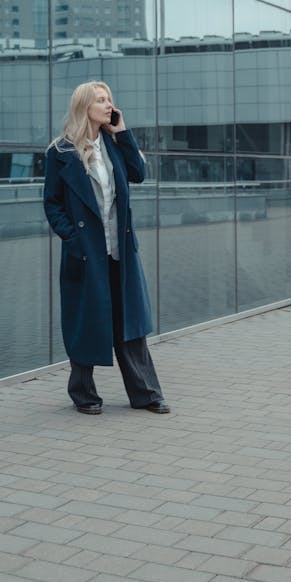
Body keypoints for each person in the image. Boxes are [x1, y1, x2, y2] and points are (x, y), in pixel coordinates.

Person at [44, 81, 170, 415]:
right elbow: (52, 204)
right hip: (85, 252)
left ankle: (146, 393)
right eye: (101, 100)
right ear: (84, 106)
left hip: (120, 250)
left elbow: (139, 174)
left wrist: (123, 132)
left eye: (109, 99)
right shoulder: (60, 152)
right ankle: (83, 394)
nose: (108, 104)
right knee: (87, 321)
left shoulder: (114, 144)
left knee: (129, 321)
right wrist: (72, 239)